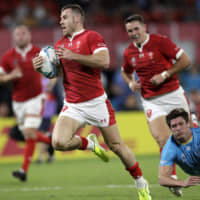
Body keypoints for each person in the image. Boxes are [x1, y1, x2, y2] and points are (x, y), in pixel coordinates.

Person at [33, 4, 152, 200]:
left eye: (64, 17)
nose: (60, 21)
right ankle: (90, 144)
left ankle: (140, 181)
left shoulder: (92, 37)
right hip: (73, 104)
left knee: (117, 147)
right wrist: (42, 68)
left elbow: (104, 61)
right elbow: (58, 73)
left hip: (97, 102)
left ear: (77, 19)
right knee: (58, 142)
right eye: (60, 18)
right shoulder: (60, 44)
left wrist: (75, 56)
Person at [121, 14, 192, 197]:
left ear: (144, 27)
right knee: (162, 138)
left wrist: (165, 75)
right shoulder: (129, 52)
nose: (134, 33)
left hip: (174, 95)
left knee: (188, 135)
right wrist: (131, 84)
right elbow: (125, 72)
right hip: (152, 100)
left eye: (136, 29)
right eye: (130, 31)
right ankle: (173, 178)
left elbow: (185, 61)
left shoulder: (161, 41)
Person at [0, 25, 53, 182]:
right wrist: (11, 76)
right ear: (14, 37)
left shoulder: (39, 52)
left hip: (36, 98)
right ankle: (50, 141)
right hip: (17, 101)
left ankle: (23, 170)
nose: (20, 37)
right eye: (17, 34)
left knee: (29, 132)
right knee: (28, 135)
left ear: (29, 35)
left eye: (23, 33)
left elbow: (53, 69)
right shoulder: (7, 56)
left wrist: (51, 81)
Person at [159, 108, 200, 190]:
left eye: (181, 124)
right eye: (174, 126)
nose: (178, 128)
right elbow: (162, 179)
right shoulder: (169, 148)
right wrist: (182, 183)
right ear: (170, 129)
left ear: (188, 123)